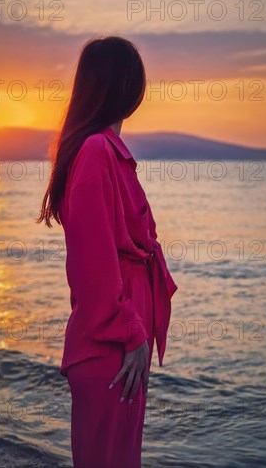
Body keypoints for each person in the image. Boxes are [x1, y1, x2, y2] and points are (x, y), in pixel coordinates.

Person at [37, 36, 178, 468]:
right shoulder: (96, 151)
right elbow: (92, 263)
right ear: (124, 86)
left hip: (119, 346)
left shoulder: (104, 151)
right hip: (112, 347)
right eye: (138, 77)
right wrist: (133, 334)